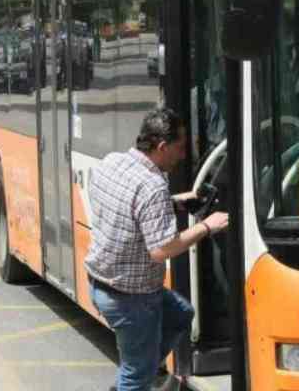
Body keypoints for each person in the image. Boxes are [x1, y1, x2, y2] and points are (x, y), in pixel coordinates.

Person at [84, 108, 230, 391]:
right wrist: (207, 226)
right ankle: (138, 374)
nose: (183, 155)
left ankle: (141, 367)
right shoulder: (152, 187)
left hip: (102, 285)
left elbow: (128, 208)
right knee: (136, 376)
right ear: (162, 147)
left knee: (180, 314)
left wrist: (175, 202)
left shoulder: (112, 162)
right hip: (130, 298)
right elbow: (162, 250)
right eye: (180, 147)